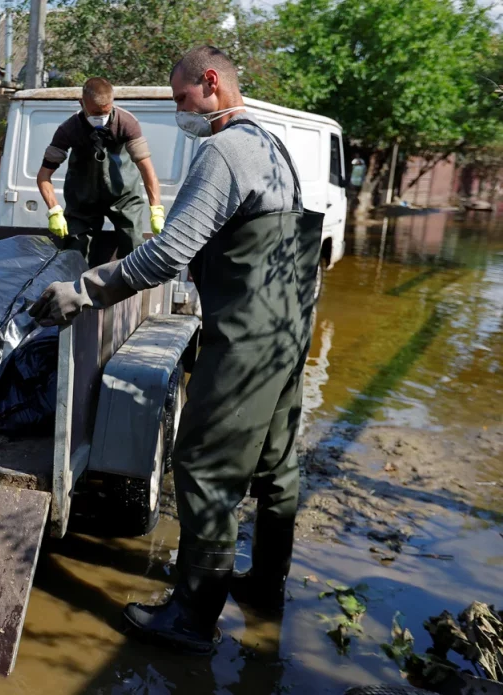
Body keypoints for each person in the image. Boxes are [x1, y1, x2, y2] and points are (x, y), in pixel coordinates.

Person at [29, 46, 322, 653]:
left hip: (245, 338)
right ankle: (266, 587)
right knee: (274, 466)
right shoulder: (273, 148)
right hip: (289, 333)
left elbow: (168, 253)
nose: (179, 110)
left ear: (210, 83)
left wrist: (83, 290)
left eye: (182, 98)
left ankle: (192, 619)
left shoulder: (224, 150)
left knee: (205, 466)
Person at [37, 77, 166, 266]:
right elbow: (43, 176)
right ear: (82, 103)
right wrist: (54, 210)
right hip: (83, 200)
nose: (101, 117)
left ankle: (128, 291)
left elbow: (147, 171)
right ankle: (75, 292)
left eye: (106, 111)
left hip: (124, 197)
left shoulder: (126, 123)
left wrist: (156, 210)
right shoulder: (68, 130)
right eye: (95, 112)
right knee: (74, 253)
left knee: (134, 247)